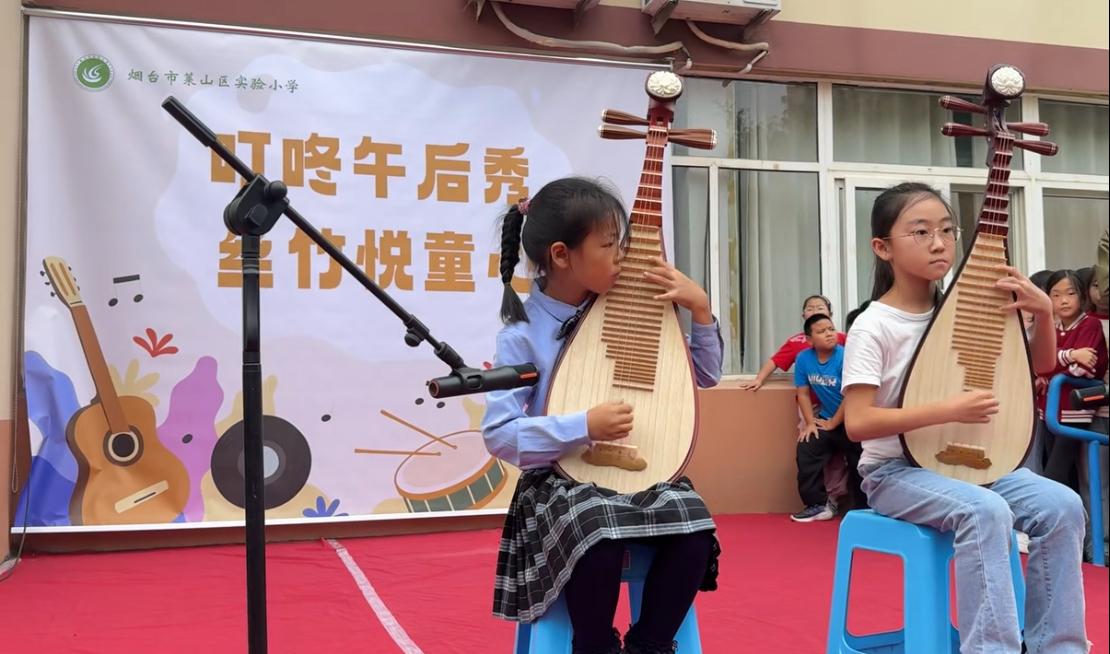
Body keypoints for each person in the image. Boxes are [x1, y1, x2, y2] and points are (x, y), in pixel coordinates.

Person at [481, 177, 724, 654]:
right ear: (562, 255)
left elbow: (704, 376)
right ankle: (594, 646)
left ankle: (650, 644)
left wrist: (699, 309)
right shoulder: (522, 335)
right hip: (558, 482)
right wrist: (582, 427)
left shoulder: (627, 312)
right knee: (598, 531)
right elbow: (500, 434)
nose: (622, 258)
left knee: (694, 526)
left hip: (640, 475)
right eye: (610, 246)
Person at [842, 182, 1087, 653]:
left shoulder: (971, 310)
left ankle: (1059, 647)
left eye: (947, 230)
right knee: (984, 510)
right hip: (894, 472)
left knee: (1062, 506)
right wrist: (947, 410)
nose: (939, 243)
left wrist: (1041, 313)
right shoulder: (874, 325)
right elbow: (858, 422)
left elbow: (1038, 366)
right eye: (920, 232)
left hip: (975, 467)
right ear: (882, 247)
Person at [790, 313, 862, 522]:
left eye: (831, 329)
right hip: (827, 418)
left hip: (854, 420)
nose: (829, 334)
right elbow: (803, 394)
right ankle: (816, 504)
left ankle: (863, 509)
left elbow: (851, 394)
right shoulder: (803, 359)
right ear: (809, 339)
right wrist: (810, 423)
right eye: (821, 331)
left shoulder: (846, 357)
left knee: (859, 460)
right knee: (807, 446)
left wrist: (834, 423)